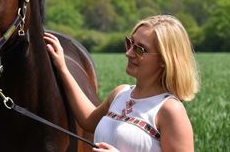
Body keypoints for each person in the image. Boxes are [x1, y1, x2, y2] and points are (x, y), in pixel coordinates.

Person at [44, 15, 200, 152]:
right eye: (130, 43)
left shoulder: (170, 110)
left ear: (164, 60)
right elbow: (88, 120)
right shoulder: (120, 93)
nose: (129, 53)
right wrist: (63, 68)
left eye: (140, 49)